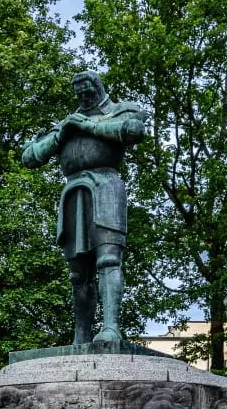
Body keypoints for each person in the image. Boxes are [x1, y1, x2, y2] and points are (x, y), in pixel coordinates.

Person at [22, 70, 146, 344]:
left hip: (105, 187)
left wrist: (88, 127)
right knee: (78, 272)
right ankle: (81, 336)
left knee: (108, 259)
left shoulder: (120, 111)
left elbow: (133, 131)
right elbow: (29, 157)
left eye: (87, 90)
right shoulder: (68, 123)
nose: (83, 96)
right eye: (78, 92)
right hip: (73, 192)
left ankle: (111, 327)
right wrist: (62, 133)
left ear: (98, 87)